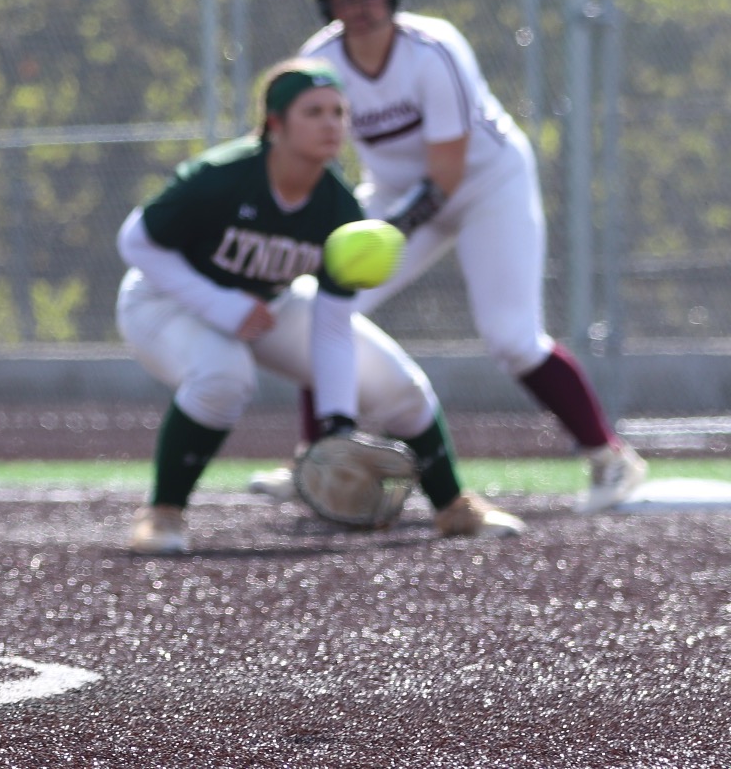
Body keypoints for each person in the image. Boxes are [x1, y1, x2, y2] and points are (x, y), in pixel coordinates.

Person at [267, 0, 646, 514]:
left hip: (485, 185)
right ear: (327, 3)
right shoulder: (320, 62)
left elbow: (446, 173)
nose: (359, 5)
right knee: (325, 307)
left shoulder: (433, 49)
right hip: (396, 194)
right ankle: (319, 459)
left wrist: (385, 232)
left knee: (513, 338)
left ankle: (608, 456)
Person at [119, 60, 525, 554]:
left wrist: (337, 423)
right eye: (313, 112)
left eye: (338, 112)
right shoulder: (222, 176)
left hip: (268, 305)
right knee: (224, 376)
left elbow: (332, 324)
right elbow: (136, 241)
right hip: (164, 301)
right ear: (275, 124)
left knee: (397, 383)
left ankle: (452, 507)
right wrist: (221, 304)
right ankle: (163, 513)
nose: (331, 124)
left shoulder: (339, 208)